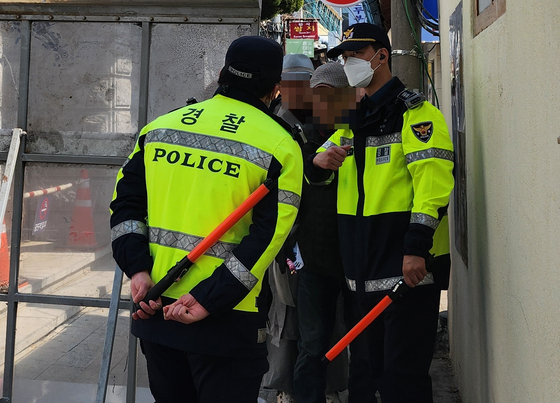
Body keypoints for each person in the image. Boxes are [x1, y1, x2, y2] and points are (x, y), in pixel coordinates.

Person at [110, 36, 303, 403]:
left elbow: (125, 206)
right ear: (275, 88)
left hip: (156, 308)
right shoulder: (280, 145)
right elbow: (269, 237)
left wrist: (137, 269)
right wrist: (208, 299)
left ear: (220, 75)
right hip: (225, 322)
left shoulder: (161, 128)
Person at [305, 23, 455, 403]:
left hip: (406, 272)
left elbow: (433, 190)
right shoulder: (353, 118)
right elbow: (319, 170)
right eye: (345, 56)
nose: (349, 61)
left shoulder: (417, 116)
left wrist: (416, 248)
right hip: (360, 274)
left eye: (355, 54)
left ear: (381, 56)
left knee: (402, 378)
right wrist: (318, 164)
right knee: (364, 375)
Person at [292, 62, 360, 403]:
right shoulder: (299, 136)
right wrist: (312, 163)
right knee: (312, 344)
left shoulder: (365, 132)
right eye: (318, 96)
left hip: (358, 259)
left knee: (362, 341)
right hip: (313, 262)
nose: (324, 104)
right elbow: (283, 183)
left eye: (331, 96)